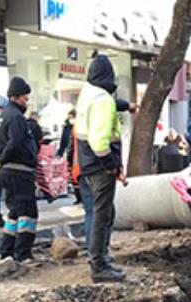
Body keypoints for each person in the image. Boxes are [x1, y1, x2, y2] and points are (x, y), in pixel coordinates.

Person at [77, 54, 130, 283]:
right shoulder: (103, 101)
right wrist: (112, 167)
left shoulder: (88, 93)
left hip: (86, 165)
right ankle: (99, 265)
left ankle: (99, 258)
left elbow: (106, 103)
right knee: (103, 215)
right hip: (100, 167)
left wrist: (127, 106)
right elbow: (100, 142)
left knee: (102, 213)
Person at [0, 77, 39, 262]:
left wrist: (0, 160)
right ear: (17, 97)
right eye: (25, 98)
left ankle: (7, 251)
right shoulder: (16, 117)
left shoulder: (3, 115)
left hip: (8, 170)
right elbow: (16, 142)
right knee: (28, 213)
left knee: (14, 214)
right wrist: (3, 159)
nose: (26, 102)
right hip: (19, 171)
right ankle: (23, 254)